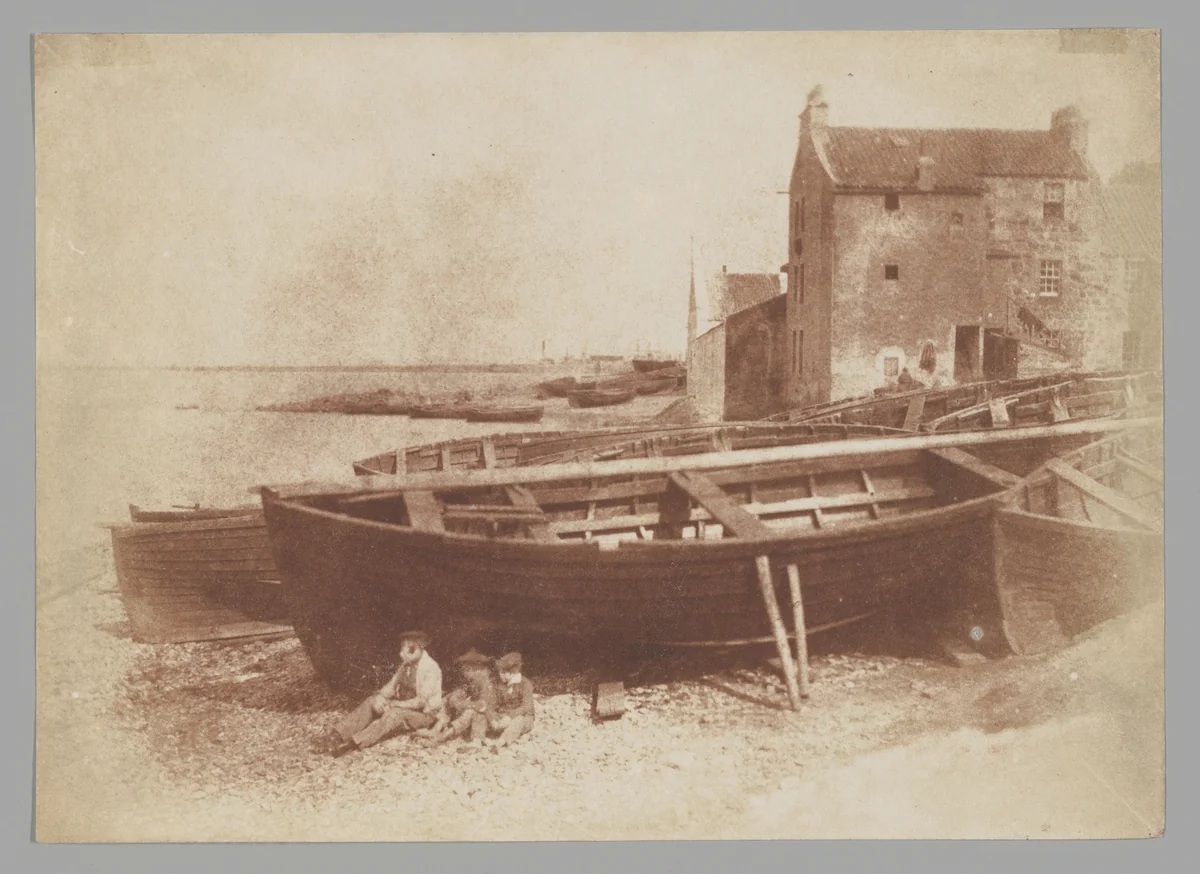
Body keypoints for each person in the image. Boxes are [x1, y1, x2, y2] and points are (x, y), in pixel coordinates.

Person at [328, 630, 443, 756]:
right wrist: (380, 697)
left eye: (405, 650)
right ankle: (337, 735)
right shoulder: (406, 665)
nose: (401, 654)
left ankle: (353, 743)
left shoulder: (430, 668)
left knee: (394, 714)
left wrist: (394, 704)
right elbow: (391, 686)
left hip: (425, 715)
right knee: (372, 701)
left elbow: (421, 702)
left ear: (415, 649)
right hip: (406, 707)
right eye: (402, 649)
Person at [418, 648, 495, 747]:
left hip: (486, 720)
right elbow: (459, 693)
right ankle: (436, 729)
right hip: (474, 715)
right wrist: (453, 697)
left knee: (470, 711)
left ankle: (442, 737)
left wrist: (459, 703)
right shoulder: (471, 681)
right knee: (446, 699)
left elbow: (482, 706)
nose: (463, 671)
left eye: (466, 669)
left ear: (475, 668)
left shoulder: (487, 684)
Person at [486, 651, 535, 750]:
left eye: (503, 673)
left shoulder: (525, 684)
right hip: (503, 717)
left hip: (522, 717)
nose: (500, 675)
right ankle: (477, 740)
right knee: (481, 715)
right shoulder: (497, 684)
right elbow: (490, 705)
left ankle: (501, 742)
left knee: (519, 721)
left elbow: (526, 706)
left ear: (513, 672)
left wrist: (509, 717)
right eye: (500, 672)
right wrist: (492, 719)